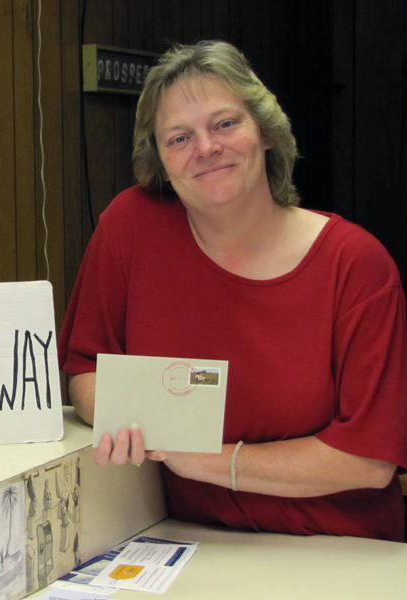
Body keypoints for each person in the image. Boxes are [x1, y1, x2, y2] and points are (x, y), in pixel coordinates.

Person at [58, 40, 407, 542]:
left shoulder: (355, 264)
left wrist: (203, 460)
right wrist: (144, 422)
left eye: (224, 124)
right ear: (158, 159)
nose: (205, 148)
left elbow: (368, 460)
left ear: (265, 130)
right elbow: (87, 368)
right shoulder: (131, 228)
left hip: (338, 547)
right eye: (178, 137)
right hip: (186, 540)